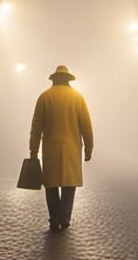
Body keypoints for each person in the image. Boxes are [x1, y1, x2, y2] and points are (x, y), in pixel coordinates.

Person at [29, 64, 94, 231]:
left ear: (54, 79)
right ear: (68, 80)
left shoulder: (44, 97)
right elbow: (86, 126)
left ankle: (54, 217)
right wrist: (88, 148)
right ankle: (64, 217)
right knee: (69, 185)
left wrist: (33, 150)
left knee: (51, 185)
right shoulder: (78, 98)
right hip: (72, 148)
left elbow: (36, 127)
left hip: (51, 148)